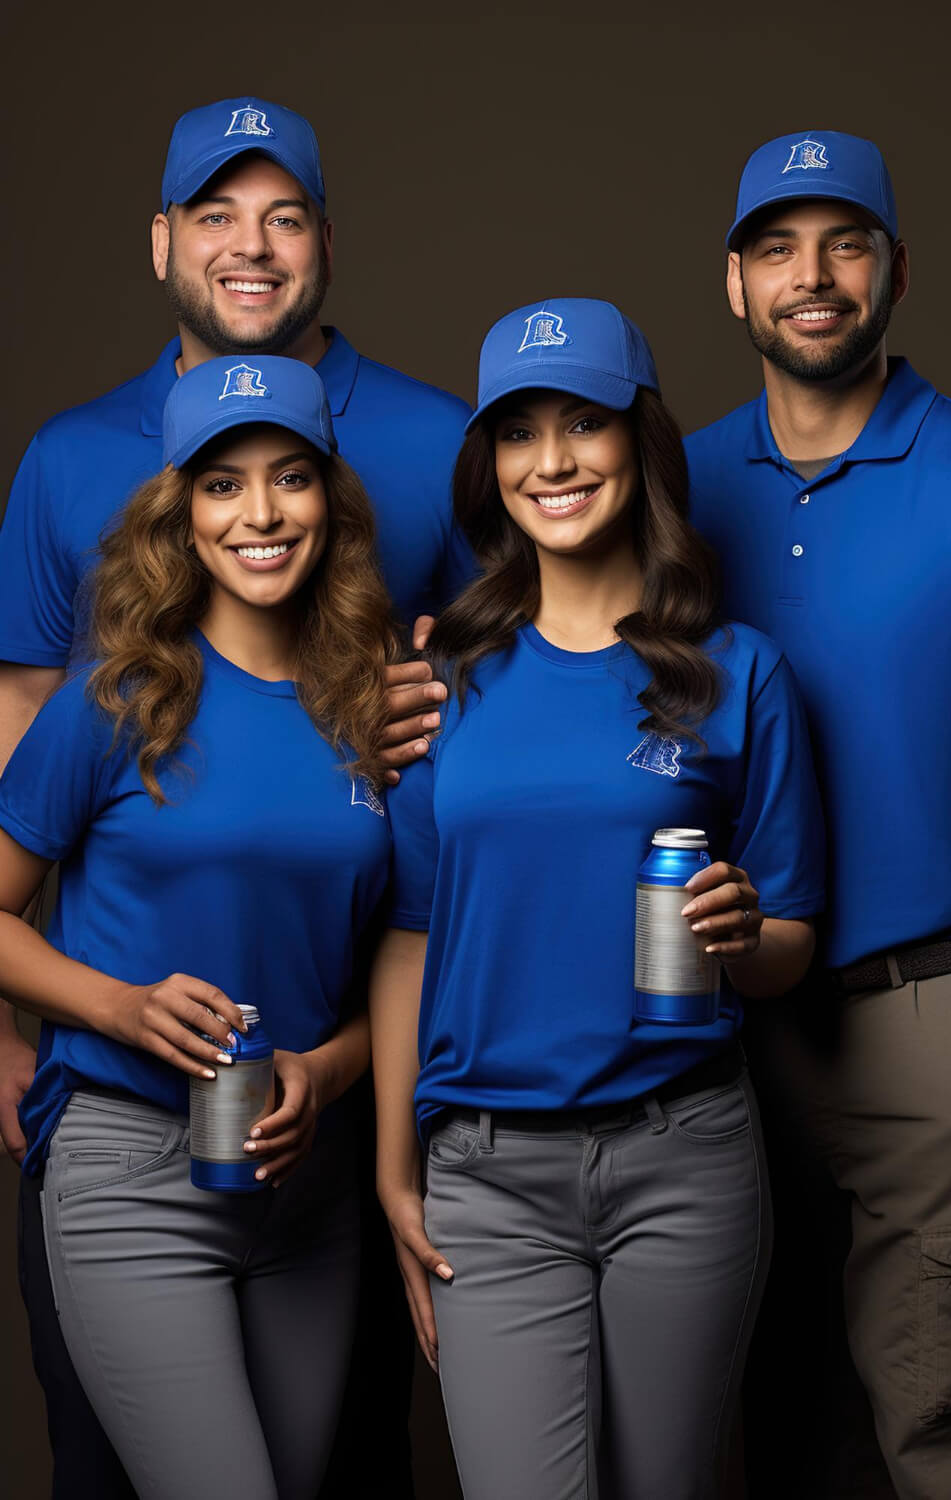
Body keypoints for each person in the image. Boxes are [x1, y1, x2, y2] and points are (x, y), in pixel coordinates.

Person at [0, 96, 458, 1499]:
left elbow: (411, 937)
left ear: (333, 501)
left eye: (290, 480)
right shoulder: (114, 699)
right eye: (222, 487)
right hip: (129, 1144)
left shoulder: (374, 716)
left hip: (308, 1174)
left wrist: (333, 1075)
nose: (259, 514)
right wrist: (107, 1010)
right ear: (179, 515)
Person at [370, 298, 826, 1499]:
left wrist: (741, 933)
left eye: (584, 423)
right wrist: (393, 1170)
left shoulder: (738, 672)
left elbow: (789, 944)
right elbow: (410, 938)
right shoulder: (442, 682)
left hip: (684, 1159)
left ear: (639, 441)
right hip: (487, 1172)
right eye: (519, 434)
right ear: (489, 465)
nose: (553, 462)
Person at [683, 130, 951, 1499]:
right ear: (734, 282)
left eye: (843, 244)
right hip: (728, 1042)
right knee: (776, 1441)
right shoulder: (676, 488)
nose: (812, 277)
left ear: (894, 271)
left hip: (937, 1027)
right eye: (778, 249)